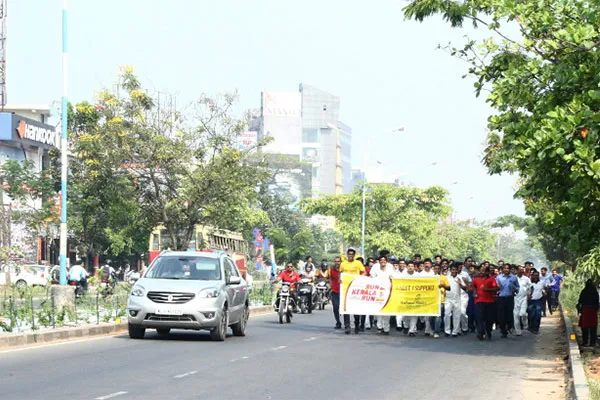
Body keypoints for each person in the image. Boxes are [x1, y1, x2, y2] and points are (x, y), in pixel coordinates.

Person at [340, 248, 366, 334]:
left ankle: (357, 325)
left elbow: (363, 272)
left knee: (355, 308)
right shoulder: (343, 264)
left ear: (354, 255)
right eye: (349, 254)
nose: (350, 256)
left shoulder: (358, 263)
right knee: (346, 308)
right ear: (347, 255)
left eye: (352, 254)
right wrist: (340, 280)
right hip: (346, 288)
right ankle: (347, 326)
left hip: (356, 288)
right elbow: (340, 273)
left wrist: (360, 279)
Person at [472, 266, 499, 341]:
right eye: (480, 271)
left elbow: (496, 289)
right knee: (479, 317)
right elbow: (473, 286)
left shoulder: (491, 279)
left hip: (489, 302)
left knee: (489, 319)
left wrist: (488, 289)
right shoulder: (476, 279)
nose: (481, 272)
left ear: (487, 272)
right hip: (479, 301)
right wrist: (474, 293)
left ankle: (488, 332)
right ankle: (481, 333)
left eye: (483, 271)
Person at [370, 255, 394, 335]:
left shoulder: (390, 270)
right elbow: (371, 279)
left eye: (384, 260)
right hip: (378, 293)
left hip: (387, 293)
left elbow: (394, 280)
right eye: (381, 260)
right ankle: (379, 327)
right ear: (379, 261)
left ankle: (386, 328)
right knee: (379, 310)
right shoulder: (376, 270)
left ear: (386, 262)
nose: (383, 261)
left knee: (387, 311)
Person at [495, 264, 520, 338]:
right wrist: (497, 288)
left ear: (510, 269)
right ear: (502, 269)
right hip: (501, 298)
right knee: (501, 315)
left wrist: (515, 290)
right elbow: (495, 287)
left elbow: (518, 287)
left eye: (508, 268)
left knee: (509, 314)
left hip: (510, 297)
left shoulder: (513, 277)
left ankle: (509, 326)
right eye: (505, 268)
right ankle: (503, 331)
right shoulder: (499, 277)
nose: (506, 270)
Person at [445, 264, 468, 337]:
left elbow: (466, 289)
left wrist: (460, 283)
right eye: (452, 270)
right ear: (450, 270)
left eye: (455, 270)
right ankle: (447, 331)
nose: (454, 271)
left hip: (457, 298)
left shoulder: (460, 278)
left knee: (457, 315)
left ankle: (455, 331)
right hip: (448, 298)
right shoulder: (446, 278)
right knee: (447, 314)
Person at [577, 279, 599, 347]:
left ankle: (585, 342)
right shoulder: (595, 292)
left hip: (585, 310)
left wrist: (579, 310)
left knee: (585, 327)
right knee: (593, 327)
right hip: (593, 311)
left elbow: (580, 301)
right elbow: (597, 302)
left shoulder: (584, 291)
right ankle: (593, 342)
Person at [400, 261, 419, 336]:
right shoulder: (402, 275)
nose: (410, 267)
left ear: (414, 267)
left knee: (414, 314)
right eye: (409, 266)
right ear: (407, 267)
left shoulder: (418, 275)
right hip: (405, 297)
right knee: (405, 315)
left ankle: (412, 330)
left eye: (412, 266)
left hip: (415, 297)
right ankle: (406, 326)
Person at [432, 264, 451, 338]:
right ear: (433, 269)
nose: (436, 270)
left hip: (441, 299)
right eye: (435, 268)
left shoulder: (444, 278)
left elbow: (449, 288)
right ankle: (432, 329)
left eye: (438, 268)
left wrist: (443, 285)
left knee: (438, 316)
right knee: (431, 317)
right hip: (431, 299)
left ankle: (436, 331)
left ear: (440, 269)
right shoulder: (430, 278)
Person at [514, 266, 532, 336]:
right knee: (516, 316)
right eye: (520, 270)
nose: (521, 271)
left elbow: (531, 287)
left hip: (524, 298)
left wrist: (530, 294)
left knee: (522, 313)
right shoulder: (513, 278)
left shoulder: (526, 279)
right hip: (515, 298)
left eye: (522, 270)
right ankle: (518, 331)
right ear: (516, 270)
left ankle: (525, 323)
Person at [329, 256, 342, 329]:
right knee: (335, 307)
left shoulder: (343, 270)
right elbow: (330, 278)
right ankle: (338, 322)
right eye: (336, 261)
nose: (337, 263)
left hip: (343, 291)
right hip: (334, 291)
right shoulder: (332, 270)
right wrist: (330, 286)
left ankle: (347, 324)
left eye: (338, 261)